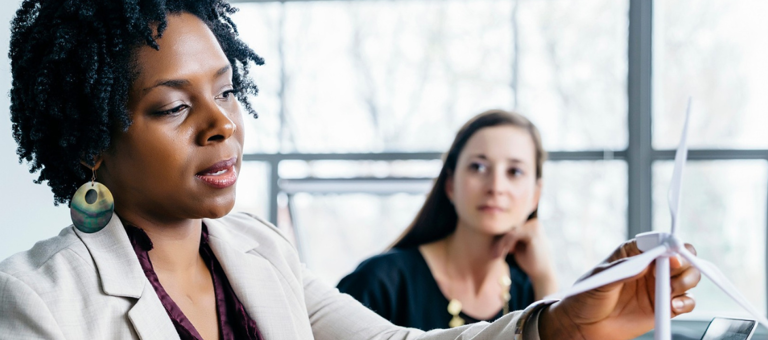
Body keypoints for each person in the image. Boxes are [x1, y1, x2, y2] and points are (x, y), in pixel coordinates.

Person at [0, 0, 699, 339]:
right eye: (174, 107)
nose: (224, 124)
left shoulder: (261, 253)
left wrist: (562, 326)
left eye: (226, 90)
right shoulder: (38, 301)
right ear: (92, 139)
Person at [338, 110, 558, 331]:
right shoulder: (380, 283)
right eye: (478, 167)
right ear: (450, 184)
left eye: (515, 171)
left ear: (535, 195)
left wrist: (546, 279)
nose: (496, 187)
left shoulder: (532, 292)